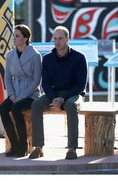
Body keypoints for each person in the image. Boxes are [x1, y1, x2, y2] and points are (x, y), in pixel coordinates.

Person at [28, 26, 88, 160]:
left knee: (71, 106)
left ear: (67, 39)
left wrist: (63, 99)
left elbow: (80, 85)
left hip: (73, 94)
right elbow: (46, 84)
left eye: (60, 38)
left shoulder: (79, 58)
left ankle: (72, 148)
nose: (57, 42)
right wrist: (55, 98)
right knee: (36, 104)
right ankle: (38, 147)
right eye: (55, 39)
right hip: (53, 94)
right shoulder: (48, 58)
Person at [0, 24, 42, 157]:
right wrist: (11, 94)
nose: (14, 38)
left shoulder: (35, 55)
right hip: (15, 92)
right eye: (13, 35)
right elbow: (7, 77)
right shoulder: (10, 55)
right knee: (3, 107)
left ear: (26, 38)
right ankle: (14, 144)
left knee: (16, 108)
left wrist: (22, 96)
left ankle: (23, 146)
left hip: (31, 94)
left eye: (17, 36)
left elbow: (36, 80)